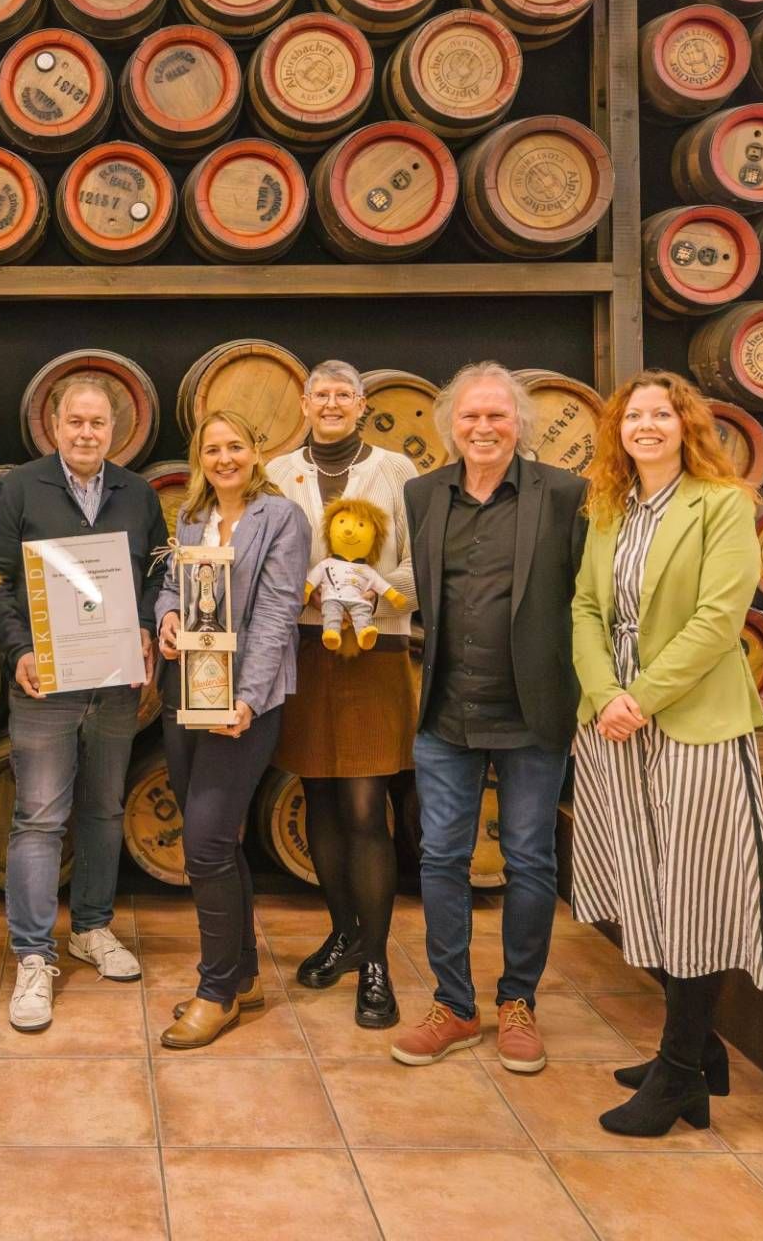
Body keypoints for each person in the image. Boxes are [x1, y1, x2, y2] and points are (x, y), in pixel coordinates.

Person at [569, 369, 763, 1137]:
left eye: (662, 414)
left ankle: (678, 1071)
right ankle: (699, 1052)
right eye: (634, 416)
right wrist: (604, 694)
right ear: (618, 431)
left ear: (686, 425)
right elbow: (585, 608)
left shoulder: (722, 504)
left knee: (695, 892)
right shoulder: (609, 507)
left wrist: (641, 697)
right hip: (615, 722)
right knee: (644, 887)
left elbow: (720, 619)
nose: (647, 426)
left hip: (694, 720)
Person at [391, 361, 587, 1075]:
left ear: (520, 424)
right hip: (448, 708)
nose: (483, 427)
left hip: (533, 709)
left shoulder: (563, 494)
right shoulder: (422, 494)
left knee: (530, 860)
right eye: (470, 416)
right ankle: (454, 1005)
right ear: (450, 424)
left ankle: (517, 1002)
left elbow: (584, 600)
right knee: (441, 857)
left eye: (497, 415)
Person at [0, 375, 165, 1032]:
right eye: (76, 422)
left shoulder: (137, 494)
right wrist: (19, 651)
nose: (87, 433)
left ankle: (91, 928)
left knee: (105, 809)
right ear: (55, 426)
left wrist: (145, 624)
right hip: (45, 681)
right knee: (38, 818)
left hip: (114, 683)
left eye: (98, 423)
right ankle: (33, 955)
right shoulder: (19, 489)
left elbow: (157, 574)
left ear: (113, 430)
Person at [267, 360, 419, 1028]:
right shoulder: (277, 472)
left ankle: (376, 961)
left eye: (344, 395)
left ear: (362, 405)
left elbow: (417, 559)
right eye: (321, 394)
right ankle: (344, 934)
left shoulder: (396, 469)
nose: (331, 404)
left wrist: (369, 595)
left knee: (364, 808)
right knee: (320, 799)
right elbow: (267, 558)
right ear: (304, 403)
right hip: (305, 650)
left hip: (374, 651)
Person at [154, 410, 310, 1049]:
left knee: (206, 845)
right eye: (212, 449)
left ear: (255, 452)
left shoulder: (282, 518)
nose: (224, 458)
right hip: (185, 693)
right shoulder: (191, 516)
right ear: (200, 458)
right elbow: (172, 587)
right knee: (219, 844)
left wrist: (246, 698)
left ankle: (215, 992)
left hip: (242, 703)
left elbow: (277, 613)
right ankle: (242, 976)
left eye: (235, 446)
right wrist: (167, 619)